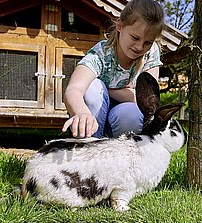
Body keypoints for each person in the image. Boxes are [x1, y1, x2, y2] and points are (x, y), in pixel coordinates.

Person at [62, 0, 165, 138]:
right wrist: (81, 112)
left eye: (147, 42)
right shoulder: (101, 53)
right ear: (120, 26)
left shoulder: (150, 53)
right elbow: (74, 89)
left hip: (119, 122)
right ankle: (89, 145)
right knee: (92, 88)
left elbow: (147, 101)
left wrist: (110, 90)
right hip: (93, 118)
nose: (140, 47)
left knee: (132, 114)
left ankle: (119, 153)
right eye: (135, 37)